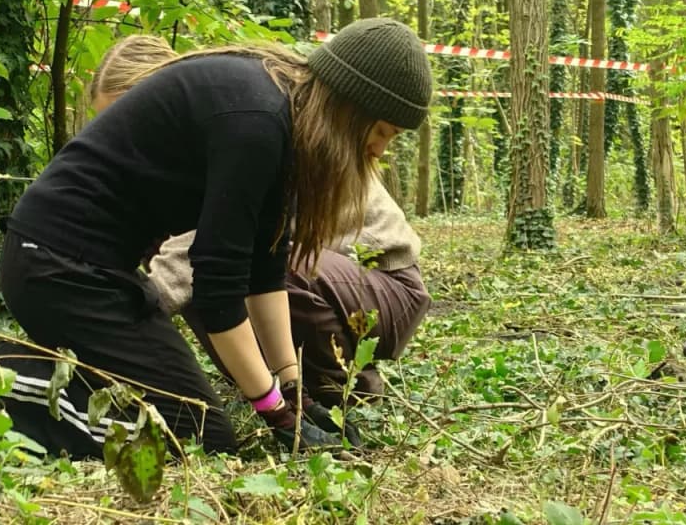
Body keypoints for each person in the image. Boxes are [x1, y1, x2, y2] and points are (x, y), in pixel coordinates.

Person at [0, 18, 432, 459]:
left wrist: (292, 388)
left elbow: (265, 267)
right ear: (349, 107)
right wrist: (274, 411)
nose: (379, 150)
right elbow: (218, 287)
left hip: (101, 273)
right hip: (57, 266)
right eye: (380, 132)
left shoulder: (282, 119)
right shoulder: (256, 121)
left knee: (195, 425)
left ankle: (60, 382)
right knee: (199, 436)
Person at [88, 35, 432, 409]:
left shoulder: (254, 128)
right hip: (326, 274)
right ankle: (262, 379)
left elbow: (210, 250)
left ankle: (333, 390)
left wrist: (117, 322)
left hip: (386, 283)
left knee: (248, 264)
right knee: (190, 256)